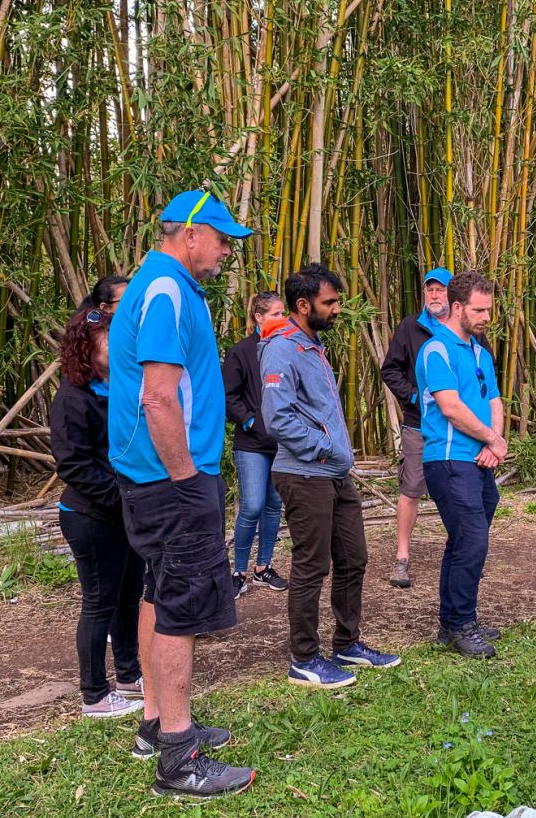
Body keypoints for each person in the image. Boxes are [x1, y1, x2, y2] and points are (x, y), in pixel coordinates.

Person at [107, 189, 256, 799]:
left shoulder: (161, 285)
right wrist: (188, 477)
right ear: (189, 234)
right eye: (222, 240)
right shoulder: (166, 290)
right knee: (181, 608)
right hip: (172, 479)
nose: (226, 252)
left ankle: (155, 720)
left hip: (153, 477)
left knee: (157, 590)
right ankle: (178, 755)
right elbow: (159, 396)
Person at [260, 264, 402, 688]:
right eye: (330, 303)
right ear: (303, 305)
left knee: (354, 557)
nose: (338, 309)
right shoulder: (283, 347)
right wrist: (326, 447)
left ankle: (347, 643)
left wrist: (336, 455)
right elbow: (277, 418)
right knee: (310, 565)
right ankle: (304, 658)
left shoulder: (312, 344)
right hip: (305, 473)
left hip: (333, 473)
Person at [50, 285, 147, 718]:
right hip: (91, 516)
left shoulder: (120, 389)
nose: (119, 345)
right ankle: (94, 693)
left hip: (124, 511)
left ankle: (129, 674)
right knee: (99, 602)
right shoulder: (73, 397)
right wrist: (121, 498)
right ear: (87, 348)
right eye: (110, 339)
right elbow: (73, 466)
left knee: (129, 596)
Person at [416, 272, 509, 659]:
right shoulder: (436, 349)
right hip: (449, 459)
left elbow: (495, 402)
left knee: (464, 542)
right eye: (479, 310)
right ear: (457, 308)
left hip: (478, 460)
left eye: (489, 309)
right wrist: (491, 438)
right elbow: (451, 407)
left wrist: (495, 444)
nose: (487, 316)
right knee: (472, 539)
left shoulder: (480, 352)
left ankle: (452, 620)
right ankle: (460, 625)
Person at [379, 267, 453, 589]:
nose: (434, 295)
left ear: (453, 294)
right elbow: (390, 369)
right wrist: (412, 396)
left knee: (456, 490)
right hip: (418, 425)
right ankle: (402, 557)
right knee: (410, 490)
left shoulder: (462, 328)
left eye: (440, 290)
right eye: (429, 290)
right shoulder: (411, 327)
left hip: (456, 426)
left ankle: (461, 553)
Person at [223, 291, 290, 597]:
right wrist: (250, 420)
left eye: (283, 313)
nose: (282, 318)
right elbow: (228, 397)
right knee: (251, 505)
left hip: (282, 442)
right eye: (276, 314)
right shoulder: (241, 352)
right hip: (251, 444)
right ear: (258, 318)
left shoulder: (288, 348)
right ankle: (238, 571)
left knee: (274, 505)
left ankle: (263, 567)